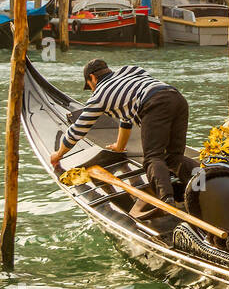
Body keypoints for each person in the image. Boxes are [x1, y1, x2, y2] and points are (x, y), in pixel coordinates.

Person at [48, 59, 196, 217]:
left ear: (92, 78)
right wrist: (119, 146)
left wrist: (58, 154)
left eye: (89, 85)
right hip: (177, 99)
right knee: (173, 157)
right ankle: (203, 181)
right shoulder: (131, 71)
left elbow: (78, 130)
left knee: (153, 158)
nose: (91, 90)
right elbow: (126, 118)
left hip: (154, 105)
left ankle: (167, 203)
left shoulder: (99, 95)